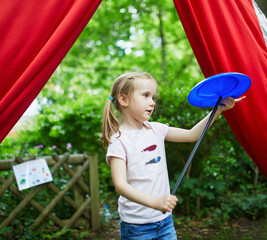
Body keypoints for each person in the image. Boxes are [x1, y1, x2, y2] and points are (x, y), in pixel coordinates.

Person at [101, 72, 245, 239]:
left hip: (164, 222)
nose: (152, 102)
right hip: (136, 227)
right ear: (123, 100)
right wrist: (155, 202)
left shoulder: (156, 129)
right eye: (146, 95)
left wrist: (218, 110)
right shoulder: (119, 140)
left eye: (153, 97)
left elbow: (192, 135)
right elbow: (120, 185)